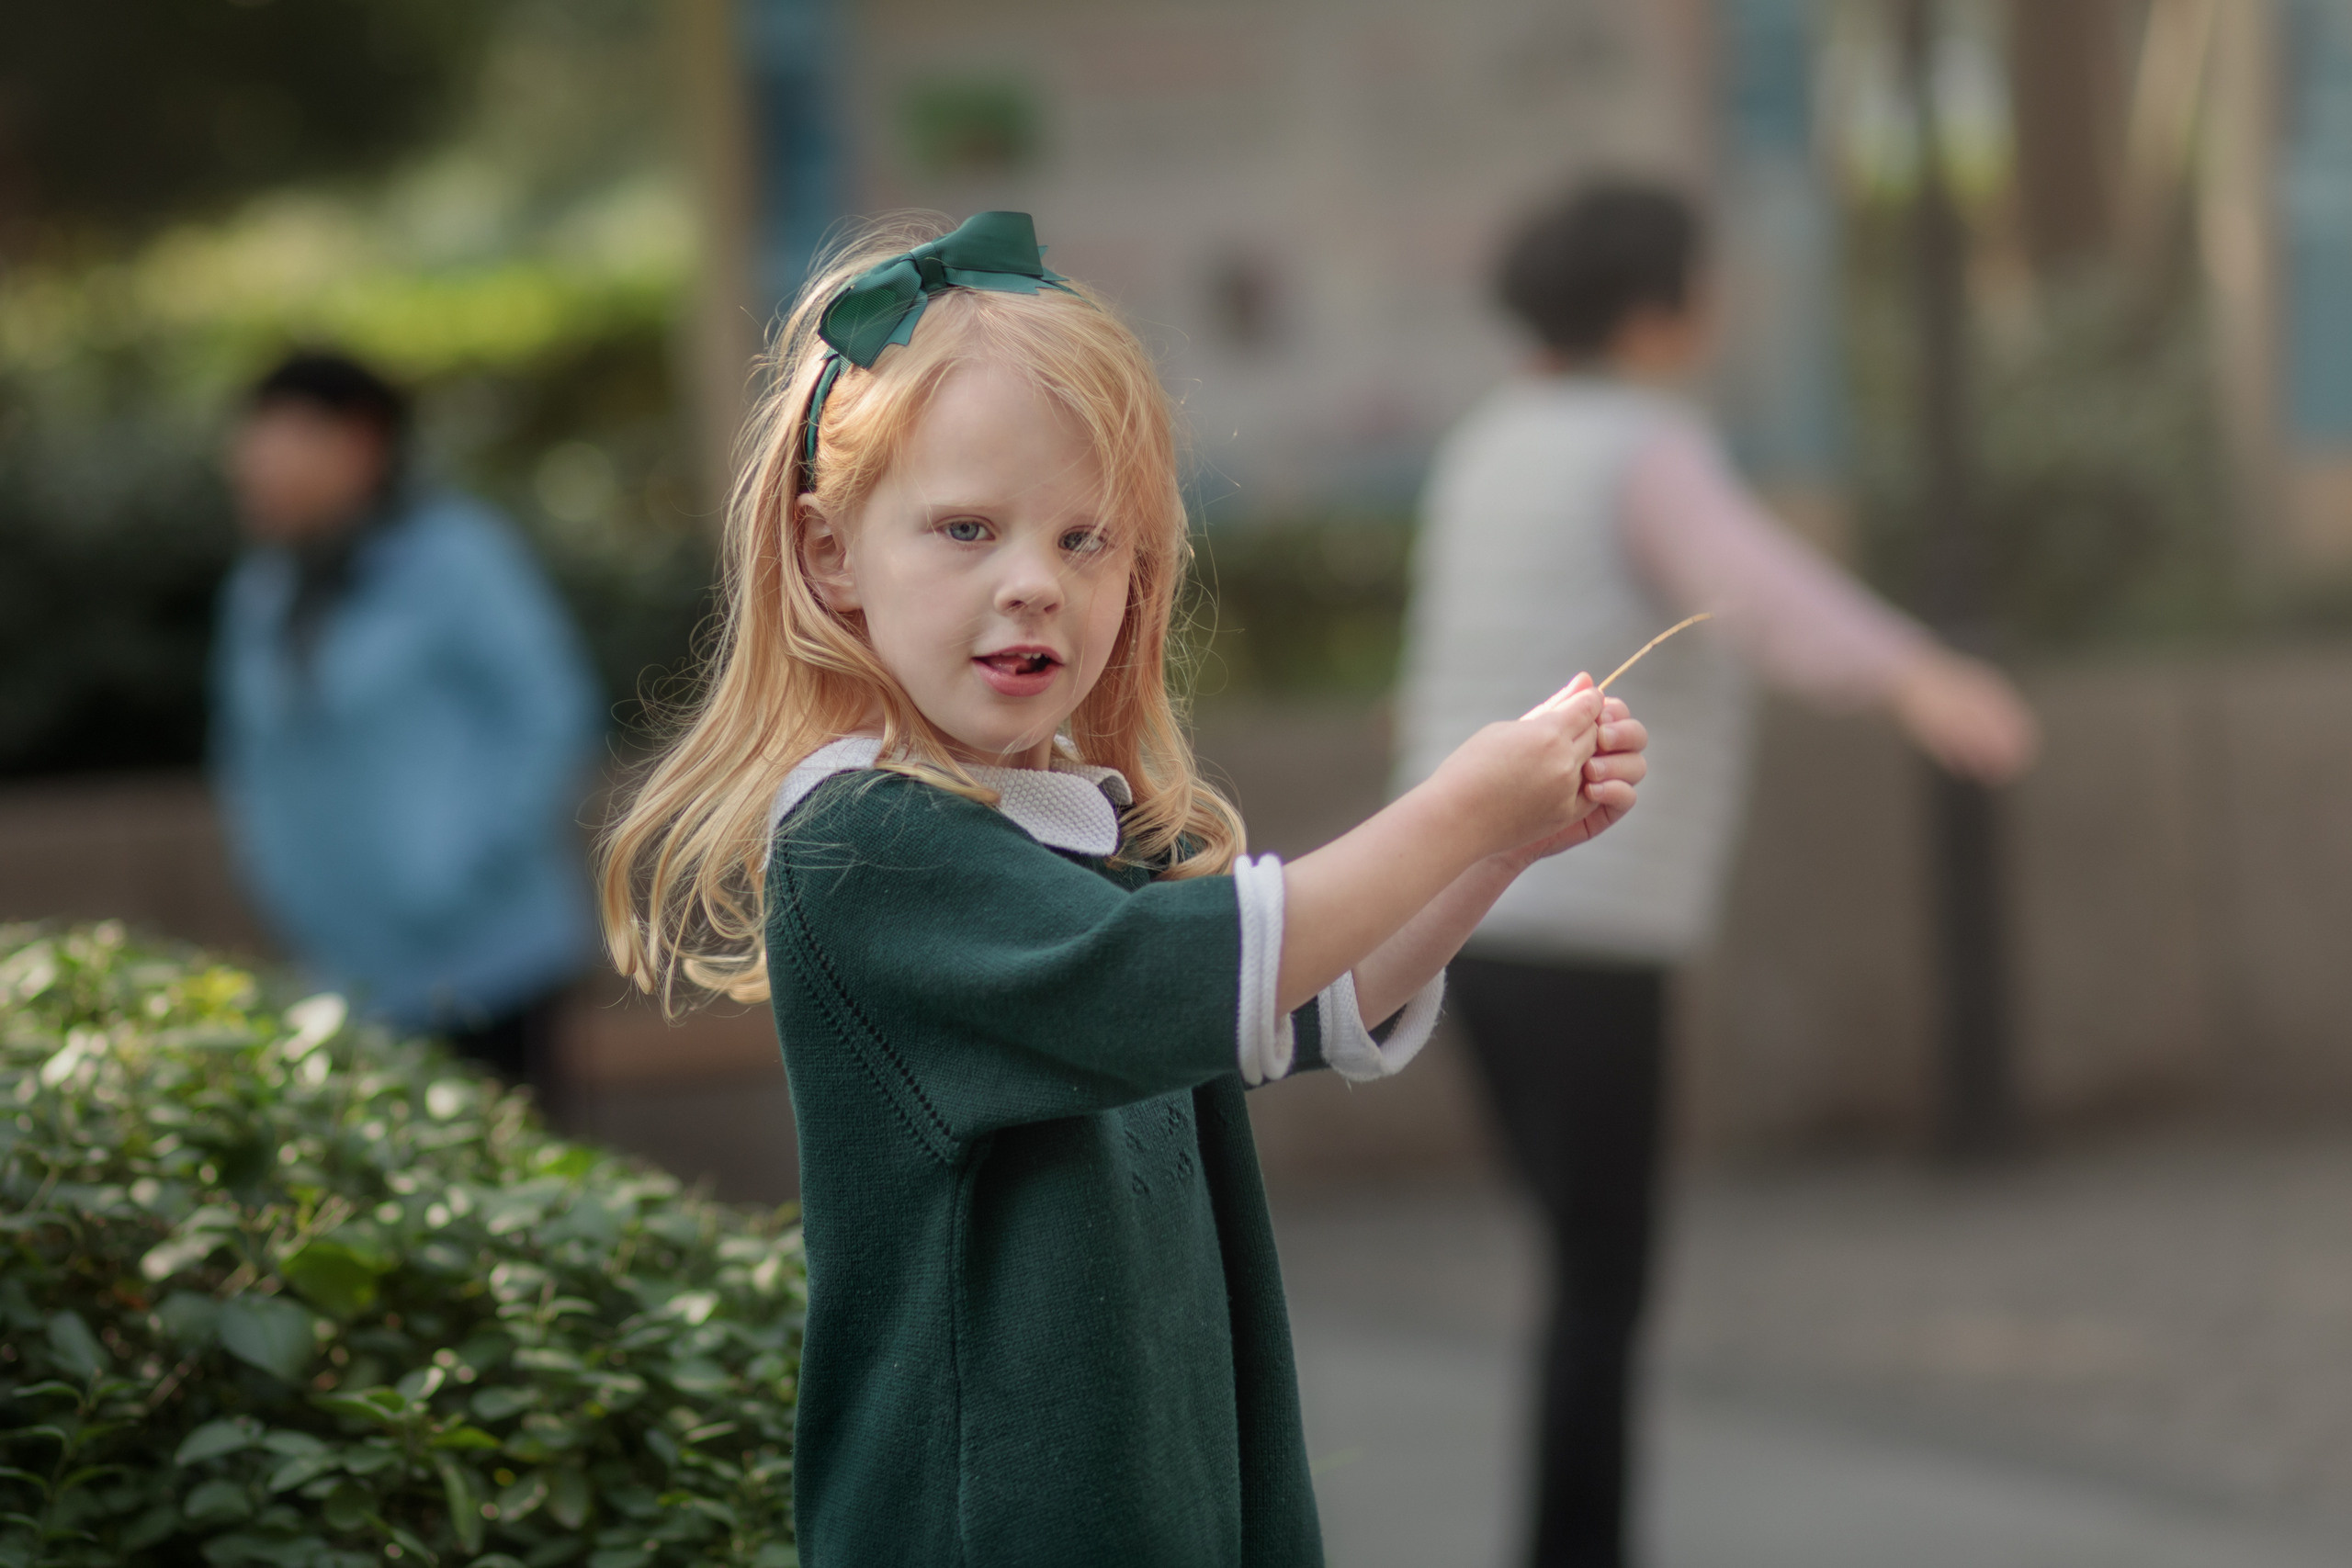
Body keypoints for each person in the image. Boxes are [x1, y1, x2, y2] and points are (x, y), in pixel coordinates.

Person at [598, 211, 1656, 1566]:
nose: (1034, 581)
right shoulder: (869, 842)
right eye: (967, 529)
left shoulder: (1073, 828)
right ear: (828, 555)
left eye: (1087, 537)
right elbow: (1181, 974)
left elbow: (1299, 1001)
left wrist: (1493, 851)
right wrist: (1458, 802)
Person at [1392, 180, 2041, 1568]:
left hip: (1452, 920)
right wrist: (1922, 675)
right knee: (1599, 1287)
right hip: (1585, 927)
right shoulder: (1642, 443)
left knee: (1572, 1263)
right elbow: (1756, 590)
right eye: (1703, 285)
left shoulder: (1489, 442)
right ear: (1655, 308)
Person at [212, 350, 603, 1091]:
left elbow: (551, 712)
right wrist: (277, 877)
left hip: (490, 961)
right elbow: (245, 754)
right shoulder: (261, 592)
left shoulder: (458, 558)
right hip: (344, 977)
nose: (251, 463)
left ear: (361, 442)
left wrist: (460, 868)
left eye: (280, 437)